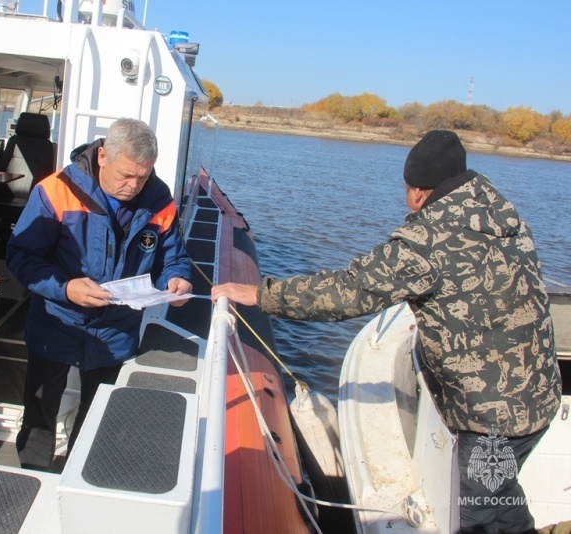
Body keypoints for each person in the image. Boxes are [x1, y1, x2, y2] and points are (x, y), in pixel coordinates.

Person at [211, 130, 561, 533]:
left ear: (418, 192)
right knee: (501, 495)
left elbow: (349, 291)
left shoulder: (429, 241)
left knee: (480, 515)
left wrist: (261, 294)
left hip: (492, 416)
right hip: (540, 393)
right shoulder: (500, 209)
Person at [7, 117, 192, 471]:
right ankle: (33, 476)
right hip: (56, 323)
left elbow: (174, 257)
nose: (134, 185)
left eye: (142, 176)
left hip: (117, 329)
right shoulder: (55, 191)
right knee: (39, 413)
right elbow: (22, 256)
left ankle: (80, 476)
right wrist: (65, 288)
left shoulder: (159, 199)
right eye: (126, 175)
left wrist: (177, 280)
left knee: (99, 416)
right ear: (103, 156)